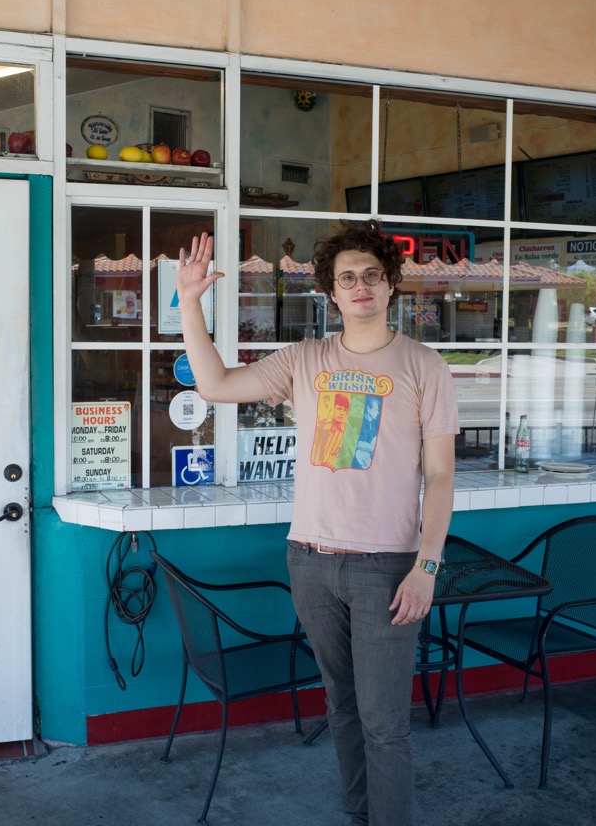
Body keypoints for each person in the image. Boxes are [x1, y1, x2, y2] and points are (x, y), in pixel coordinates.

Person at [176, 220, 457, 826]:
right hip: (310, 560)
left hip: (387, 568)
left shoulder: (424, 365)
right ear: (331, 292)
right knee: (342, 706)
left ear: (390, 286)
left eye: (372, 276)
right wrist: (192, 304)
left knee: (386, 724)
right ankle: (361, 816)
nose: (360, 287)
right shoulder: (306, 359)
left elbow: (440, 476)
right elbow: (215, 384)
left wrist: (427, 566)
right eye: (347, 278)